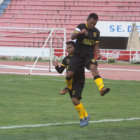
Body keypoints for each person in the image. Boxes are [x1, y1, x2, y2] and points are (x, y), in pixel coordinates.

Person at [66, 13, 110, 96]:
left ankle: (101, 88)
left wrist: (98, 54)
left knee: (94, 68)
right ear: (87, 20)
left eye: (94, 24)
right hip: (77, 56)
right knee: (69, 75)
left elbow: (96, 45)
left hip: (89, 56)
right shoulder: (81, 26)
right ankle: (68, 87)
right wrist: (80, 33)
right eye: (91, 23)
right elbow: (72, 37)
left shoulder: (96, 32)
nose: (92, 25)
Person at [53, 41, 90, 127]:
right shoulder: (65, 59)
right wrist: (56, 66)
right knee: (76, 101)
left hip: (78, 82)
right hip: (70, 83)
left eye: (70, 47)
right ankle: (86, 116)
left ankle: (82, 119)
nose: (68, 49)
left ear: (75, 48)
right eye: (67, 48)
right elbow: (60, 71)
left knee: (74, 100)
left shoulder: (79, 58)